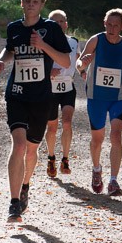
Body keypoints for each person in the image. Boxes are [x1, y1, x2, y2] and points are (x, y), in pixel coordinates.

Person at [0, 0, 73, 223]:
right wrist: (0, 60)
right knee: (18, 146)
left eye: (35, 1)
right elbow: (10, 50)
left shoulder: (51, 28)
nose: (31, 5)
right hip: (16, 94)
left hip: (41, 97)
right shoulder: (14, 28)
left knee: (32, 149)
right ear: (21, 2)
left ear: (42, 4)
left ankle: (25, 184)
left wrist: (44, 46)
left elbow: (66, 62)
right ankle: (14, 202)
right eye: (27, 1)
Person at [76, 8, 122, 196]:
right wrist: (83, 64)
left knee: (116, 136)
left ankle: (113, 181)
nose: (111, 28)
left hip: (118, 97)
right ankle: (96, 170)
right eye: (108, 24)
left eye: (115, 25)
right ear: (104, 23)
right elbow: (80, 62)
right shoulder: (96, 40)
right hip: (97, 97)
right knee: (97, 139)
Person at [44, 9, 79, 178]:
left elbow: (78, 61)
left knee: (67, 122)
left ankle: (65, 159)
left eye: (61, 21)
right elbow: (37, 64)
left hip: (68, 88)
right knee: (52, 127)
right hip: (50, 89)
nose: (58, 25)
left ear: (66, 24)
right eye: (54, 22)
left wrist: (83, 69)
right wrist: (48, 72)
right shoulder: (43, 43)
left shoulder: (74, 41)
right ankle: (51, 157)